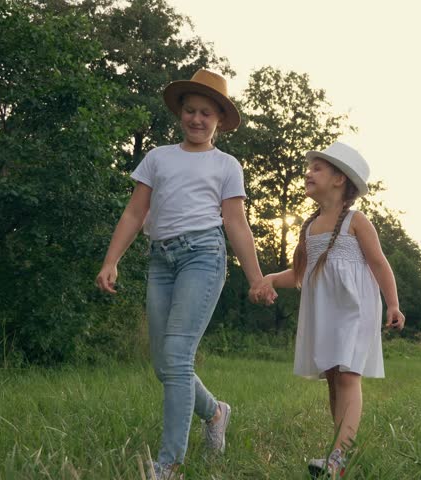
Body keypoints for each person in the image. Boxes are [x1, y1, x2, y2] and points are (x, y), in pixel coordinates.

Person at [95, 69, 276, 479]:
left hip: (204, 255)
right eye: (190, 111)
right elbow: (135, 212)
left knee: (177, 357)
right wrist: (111, 260)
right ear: (180, 113)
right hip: (161, 260)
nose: (197, 119)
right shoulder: (158, 157)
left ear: (219, 121)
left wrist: (256, 279)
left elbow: (236, 224)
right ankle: (215, 414)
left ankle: (169, 464)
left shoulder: (226, 164)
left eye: (206, 113)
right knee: (164, 364)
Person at [253, 141, 405, 477]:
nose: (308, 173)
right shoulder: (308, 227)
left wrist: (392, 303)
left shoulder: (356, 221)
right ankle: (342, 451)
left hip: (355, 307)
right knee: (334, 379)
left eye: (317, 168)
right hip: (325, 311)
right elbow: (299, 273)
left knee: (349, 374)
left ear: (339, 180)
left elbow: (379, 264)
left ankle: (338, 457)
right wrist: (270, 279)